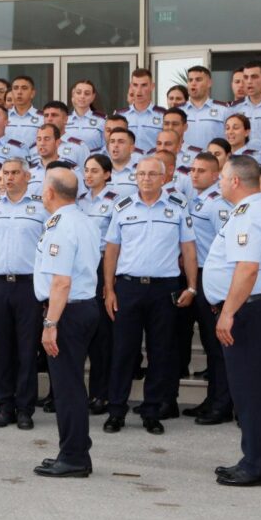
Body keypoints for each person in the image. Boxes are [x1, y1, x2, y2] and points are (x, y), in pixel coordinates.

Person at [201, 155, 261, 487]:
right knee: (249, 388)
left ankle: (257, 466)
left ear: (235, 181)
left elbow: (246, 270)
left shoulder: (249, 215)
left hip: (247, 310)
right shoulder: (254, 210)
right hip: (252, 307)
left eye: (222, 176)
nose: (219, 182)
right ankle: (252, 458)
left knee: (250, 390)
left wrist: (228, 313)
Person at [103, 156, 198, 434]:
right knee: (123, 352)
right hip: (128, 288)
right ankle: (116, 411)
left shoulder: (178, 208)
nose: (146, 178)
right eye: (141, 174)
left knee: (161, 352)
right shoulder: (121, 207)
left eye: (152, 174)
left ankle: (152, 410)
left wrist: (191, 286)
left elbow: (189, 250)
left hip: (164, 289)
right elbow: (111, 251)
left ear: (164, 177)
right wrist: (109, 289)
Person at [31, 163, 101, 478]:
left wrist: (50, 324)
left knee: (68, 387)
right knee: (70, 384)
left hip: (67, 311)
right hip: (81, 307)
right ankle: (72, 449)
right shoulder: (84, 221)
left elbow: (61, 282)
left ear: (50, 192)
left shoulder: (61, 225)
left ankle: (74, 457)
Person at [0, 158, 47, 429]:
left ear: (27, 177)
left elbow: (50, 249)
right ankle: (5, 405)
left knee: (27, 350)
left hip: (29, 286)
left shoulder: (41, 208)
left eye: (16, 173)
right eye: (6, 173)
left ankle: (25, 408)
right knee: (1, 348)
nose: (10, 178)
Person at [184, 152, 235, 425]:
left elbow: (226, 246)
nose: (194, 174)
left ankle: (222, 404)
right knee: (208, 343)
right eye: (192, 169)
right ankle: (213, 398)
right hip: (198, 273)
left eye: (202, 170)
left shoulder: (218, 205)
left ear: (216, 175)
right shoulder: (198, 199)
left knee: (217, 346)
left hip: (213, 275)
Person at [77, 154, 118, 414]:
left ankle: (100, 393)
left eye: (95, 171)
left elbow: (116, 243)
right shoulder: (78, 202)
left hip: (103, 265)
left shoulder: (116, 202)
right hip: (80, 266)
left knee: (103, 335)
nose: (89, 175)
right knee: (80, 331)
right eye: (86, 170)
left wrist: (109, 281)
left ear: (107, 174)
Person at [118, 68, 165, 153]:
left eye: (144, 85)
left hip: (153, 164)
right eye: (135, 85)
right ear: (131, 86)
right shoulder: (120, 115)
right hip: (127, 164)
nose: (139, 90)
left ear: (152, 86)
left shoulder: (163, 115)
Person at [183, 66, 228, 148]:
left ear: (209, 83)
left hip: (213, 159)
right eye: (190, 80)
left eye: (198, 80)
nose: (193, 83)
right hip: (184, 160)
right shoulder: (179, 110)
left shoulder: (223, 110)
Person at [65, 79, 106, 154]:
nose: (82, 96)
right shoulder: (65, 120)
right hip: (69, 163)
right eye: (78, 93)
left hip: (94, 163)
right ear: (73, 95)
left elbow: (106, 147)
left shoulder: (102, 121)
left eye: (87, 93)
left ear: (93, 97)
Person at [5, 76, 42, 145]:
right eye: (16, 88)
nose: (19, 92)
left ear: (32, 93)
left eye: (24, 88)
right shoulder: (3, 117)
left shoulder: (42, 118)